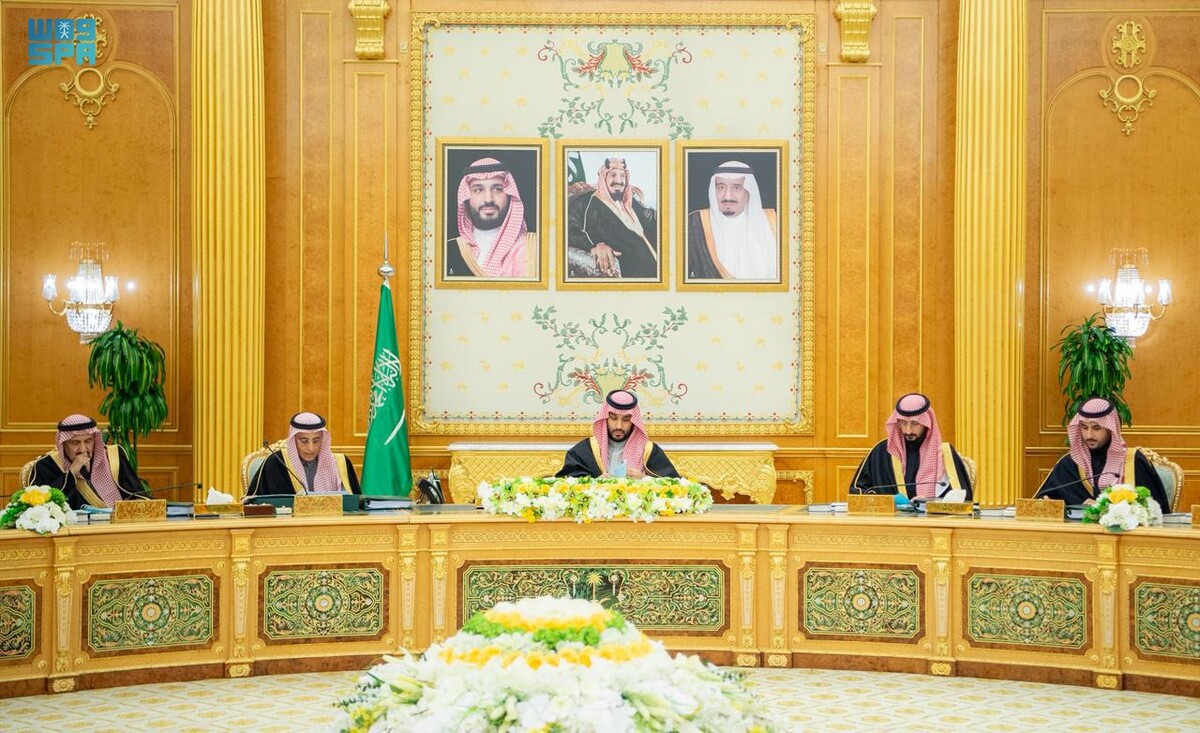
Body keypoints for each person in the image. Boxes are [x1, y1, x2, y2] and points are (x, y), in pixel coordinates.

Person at [1036, 397, 1170, 509]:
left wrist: (1105, 508)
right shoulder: (1069, 464)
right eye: (1084, 427)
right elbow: (1043, 500)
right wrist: (1046, 504)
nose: (1089, 435)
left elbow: (1154, 511)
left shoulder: (1133, 462)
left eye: (1096, 428)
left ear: (1110, 429)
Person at [850, 393, 973, 500]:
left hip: (932, 519)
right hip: (890, 518)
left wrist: (931, 503)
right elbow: (857, 492)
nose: (908, 430)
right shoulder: (881, 452)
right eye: (903, 423)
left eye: (914, 423)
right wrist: (890, 501)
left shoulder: (945, 454)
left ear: (927, 424)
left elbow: (963, 498)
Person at [566, 158, 659, 279]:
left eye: (622, 176)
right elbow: (569, 229)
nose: (618, 180)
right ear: (603, 177)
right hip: (632, 273)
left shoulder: (629, 202)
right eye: (613, 175)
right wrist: (594, 246)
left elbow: (651, 217)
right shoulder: (586, 202)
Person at [29, 414, 148, 509]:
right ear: (63, 444)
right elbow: (42, 507)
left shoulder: (113, 456)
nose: (83, 449)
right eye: (75, 443)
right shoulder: (47, 465)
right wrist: (72, 473)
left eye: (88, 441)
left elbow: (137, 494)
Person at [686, 160, 779, 280]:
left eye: (737, 187)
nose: (727, 196)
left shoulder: (773, 222)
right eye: (721, 187)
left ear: (748, 191)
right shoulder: (694, 224)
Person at [445, 157, 537, 278]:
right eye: (478, 190)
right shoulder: (448, 251)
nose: (488, 199)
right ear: (466, 197)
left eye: (498, 189)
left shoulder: (535, 248)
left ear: (509, 195)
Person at [557, 390, 679, 479]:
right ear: (605, 418)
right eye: (613, 418)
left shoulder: (648, 451)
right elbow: (564, 483)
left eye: (626, 419)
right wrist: (594, 483)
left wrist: (644, 479)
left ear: (633, 421)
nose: (619, 426)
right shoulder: (586, 450)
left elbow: (676, 485)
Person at [247, 412, 361, 496]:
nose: (311, 448)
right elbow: (255, 503)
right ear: (293, 440)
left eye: (316, 441)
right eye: (304, 441)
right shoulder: (277, 463)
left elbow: (357, 503)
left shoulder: (340, 463)